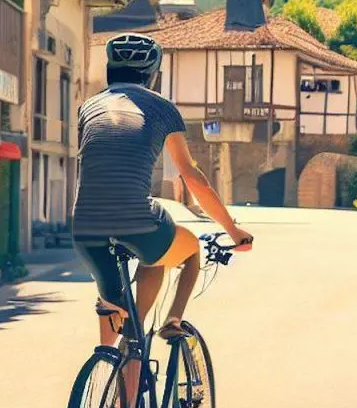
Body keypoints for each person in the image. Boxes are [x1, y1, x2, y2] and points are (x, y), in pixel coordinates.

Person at [72, 33, 253, 352]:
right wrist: (232, 230)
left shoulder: (88, 107)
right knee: (187, 250)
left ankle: (107, 370)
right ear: (152, 74)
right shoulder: (163, 109)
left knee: (112, 307)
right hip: (139, 221)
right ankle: (170, 322)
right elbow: (192, 177)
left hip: (85, 227)